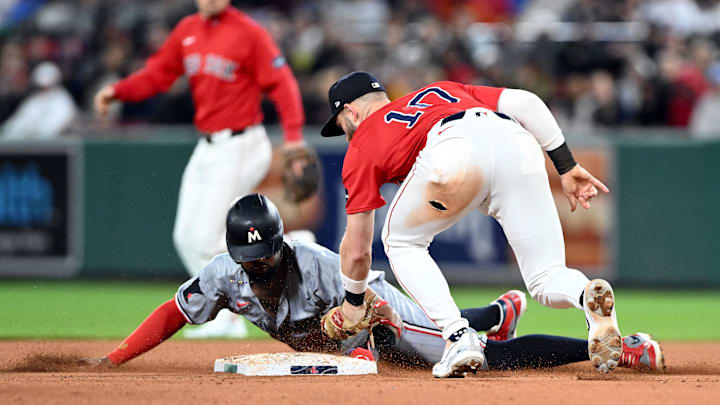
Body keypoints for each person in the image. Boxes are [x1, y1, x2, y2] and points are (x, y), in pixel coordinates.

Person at [83, 194, 664, 373]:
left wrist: (360, 319)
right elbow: (172, 313)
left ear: (281, 244)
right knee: (422, 348)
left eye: (265, 256)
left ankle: (610, 347)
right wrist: (115, 358)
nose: (257, 267)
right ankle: (493, 310)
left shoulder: (317, 265)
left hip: (378, 309)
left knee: (480, 360)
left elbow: (364, 316)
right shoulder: (221, 274)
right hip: (350, 342)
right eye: (248, 259)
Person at [320, 72, 620, 378]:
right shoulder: (442, 90)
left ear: (351, 112)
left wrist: (354, 299)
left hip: (454, 148)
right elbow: (527, 102)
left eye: (342, 126)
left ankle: (458, 338)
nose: (345, 136)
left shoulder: (362, 145)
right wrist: (567, 166)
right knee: (546, 276)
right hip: (516, 142)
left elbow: (357, 252)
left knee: (401, 242)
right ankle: (586, 294)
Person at [93, 0, 305, 338]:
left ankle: (242, 301)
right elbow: (157, 75)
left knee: (207, 237)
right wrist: (118, 91)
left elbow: (282, 83)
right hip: (207, 145)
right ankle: (265, 266)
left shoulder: (249, 32)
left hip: (242, 143)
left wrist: (293, 137)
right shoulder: (187, 30)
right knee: (185, 238)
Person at [1, 61, 77, 140]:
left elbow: (54, 125)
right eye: (41, 87)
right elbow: (19, 121)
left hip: (51, 146)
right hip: (27, 144)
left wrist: (32, 135)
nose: (44, 89)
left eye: (47, 86)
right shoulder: (33, 100)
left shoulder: (63, 101)